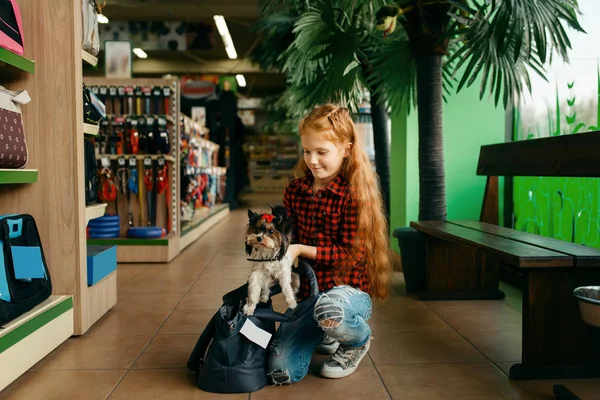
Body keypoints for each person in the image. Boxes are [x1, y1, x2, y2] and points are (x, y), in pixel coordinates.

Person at [268, 104, 392, 384]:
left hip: (347, 294)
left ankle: (356, 340)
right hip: (309, 294)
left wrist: (299, 250)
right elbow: (289, 238)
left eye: (321, 152)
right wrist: (274, 244)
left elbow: (348, 254)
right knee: (280, 370)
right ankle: (326, 331)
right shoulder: (295, 191)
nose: (312, 160)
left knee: (330, 310)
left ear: (346, 150)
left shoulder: (354, 194)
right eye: (306, 150)